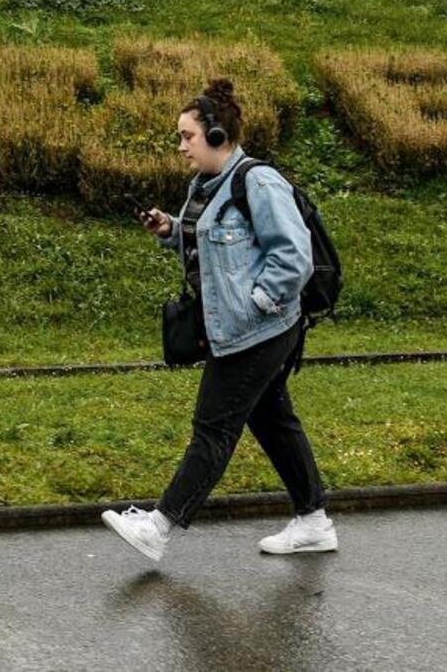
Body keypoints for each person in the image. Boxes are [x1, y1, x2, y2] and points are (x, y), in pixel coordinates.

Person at [100, 78, 335, 563]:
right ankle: (313, 521)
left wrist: (256, 303)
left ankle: (159, 526)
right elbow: (215, 246)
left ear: (216, 136)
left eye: (187, 136)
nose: (181, 146)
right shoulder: (205, 186)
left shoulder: (259, 181)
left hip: (259, 330)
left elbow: (293, 255)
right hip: (240, 330)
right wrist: (170, 229)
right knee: (273, 420)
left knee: (213, 426)